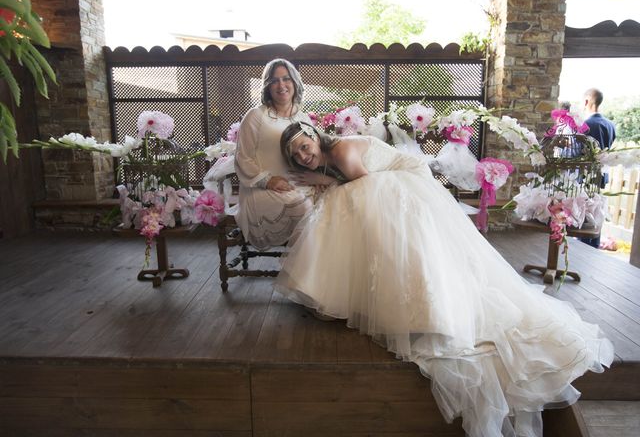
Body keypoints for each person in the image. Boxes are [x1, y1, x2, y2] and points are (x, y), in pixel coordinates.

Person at [276, 121, 614, 437]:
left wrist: (327, 182)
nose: (305, 157)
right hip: (384, 185)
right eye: (297, 156)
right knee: (344, 204)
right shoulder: (326, 156)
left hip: (402, 183)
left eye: (305, 147)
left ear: (315, 136)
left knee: (343, 201)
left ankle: (419, 302)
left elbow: (363, 185)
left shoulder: (340, 152)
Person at [234, 59, 314, 249]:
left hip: (297, 185)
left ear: (295, 82)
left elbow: (311, 154)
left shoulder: (303, 118)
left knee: (331, 201)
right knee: (302, 206)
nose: (281, 85)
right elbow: (242, 158)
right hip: (261, 189)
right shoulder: (256, 116)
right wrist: (268, 181)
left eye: (286, 79)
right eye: (275, 81)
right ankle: (298, 271)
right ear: (268, 86)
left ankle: (316, 271)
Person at [581, 88, 616, 248]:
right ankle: (593, 243)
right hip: (602, 175)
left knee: (584, 208)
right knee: (596, 208)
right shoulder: (610, 125)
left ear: (587, 101)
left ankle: (583, 245)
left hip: (586, 174)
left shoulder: (587, 124)